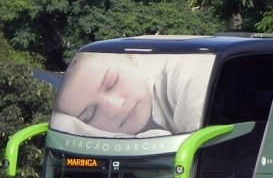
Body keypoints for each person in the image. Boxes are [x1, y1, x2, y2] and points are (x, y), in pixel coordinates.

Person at [50, 52, 213, 137]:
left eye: (112, 83)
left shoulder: (189, 79)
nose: (116, 107)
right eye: (91, 114)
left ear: (129, 58)